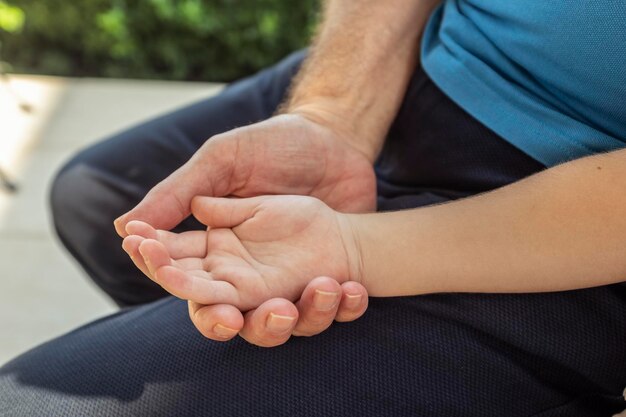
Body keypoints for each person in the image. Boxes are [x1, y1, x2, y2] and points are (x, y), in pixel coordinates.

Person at [1, 0, 625, 415]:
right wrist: (335, 115)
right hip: (433, 60)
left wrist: (356, 247)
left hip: (572, 221)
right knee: (95, 197)